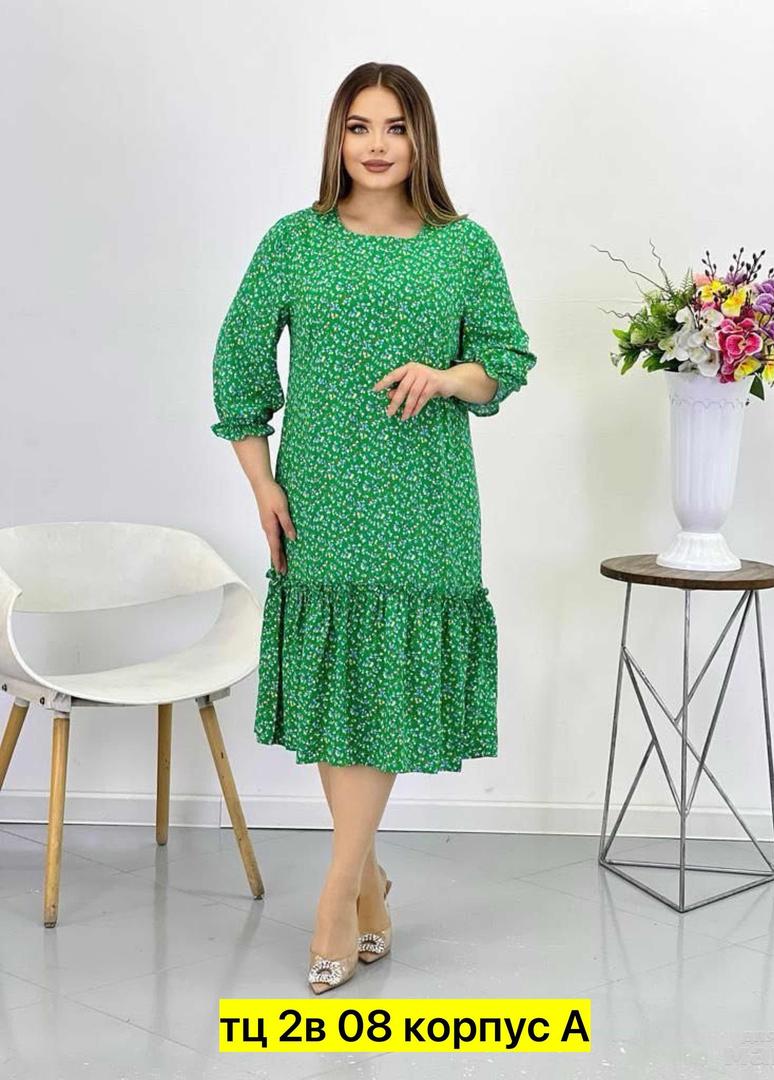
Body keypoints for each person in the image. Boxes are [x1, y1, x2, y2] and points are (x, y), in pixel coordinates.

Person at [210, 61, 537, 993]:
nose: (378, 144)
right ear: (338, 137)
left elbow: (505, 359)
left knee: (383, 681)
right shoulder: (296, 240)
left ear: (420, 138)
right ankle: (363, 885)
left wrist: (447, 376)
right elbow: (237, 361)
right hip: (321, 493)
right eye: (359, 126)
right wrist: (261, 485)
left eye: (396, 126)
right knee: (342, 682)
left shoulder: (462, 246)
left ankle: (338, 890)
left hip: (425, 497)